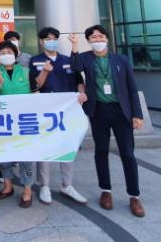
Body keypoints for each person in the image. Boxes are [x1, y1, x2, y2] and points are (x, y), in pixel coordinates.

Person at [69, 25, 145, 218]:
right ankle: (106, 190)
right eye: (93, 37)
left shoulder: (121, 60)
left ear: (107, 39)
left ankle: (134, 196)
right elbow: (75, 68)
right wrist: (75, 47)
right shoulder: (85, 58)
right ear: (88, 41)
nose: (98, 40)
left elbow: (132, 88)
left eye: (101, 36)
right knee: (101, 151)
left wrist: (137, 114)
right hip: (99, 111)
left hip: (121, 111)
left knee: (127, 153)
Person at [29, 27, 88, 205]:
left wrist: (82, 94)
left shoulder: (68, 60)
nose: (51, 41)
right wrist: (45, 71)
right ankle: (44, 185)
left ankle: (67, 185)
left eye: (54, 38)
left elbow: (79, 81)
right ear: (41, 42)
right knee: (45, 147)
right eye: (48, 39)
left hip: (68, 112)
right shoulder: (35, 61)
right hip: (45, 112)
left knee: (67, 146)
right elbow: (35, 86)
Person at [0, 40, 35, 208]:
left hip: (24, 120)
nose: (6, 55)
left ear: (15, 55)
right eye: (3, 53)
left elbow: (37, 92)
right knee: (4, 155)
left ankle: (28, 189)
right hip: (2, 121)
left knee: (26, 156)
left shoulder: (26, 71)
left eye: (9, 52)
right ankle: (7, 185)